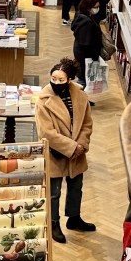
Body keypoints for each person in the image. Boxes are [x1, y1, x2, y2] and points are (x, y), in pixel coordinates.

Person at [35, 58, 95, 244]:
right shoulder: (44, 100)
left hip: (77, 152)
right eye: (54, 78)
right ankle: (53, 223)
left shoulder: (80, 95)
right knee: (54, 192)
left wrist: (82, 144)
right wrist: (71, 147)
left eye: (61, 80)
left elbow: (86, 123)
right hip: (56, 152)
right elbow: (46, 132)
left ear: (69, 79)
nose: (56, 82)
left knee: (76, 187)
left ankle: (74, 218)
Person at [71, 0, 103, 85]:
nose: (97, 9)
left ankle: (81, 97)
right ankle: (79, 98)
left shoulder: (81, 15)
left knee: (84, 77)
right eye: (96, 7)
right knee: (83, 80)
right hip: (85, 57)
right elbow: (86, 43)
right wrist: (94, 57)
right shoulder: (86, 22)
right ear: (88, 7)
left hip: (82, 54)